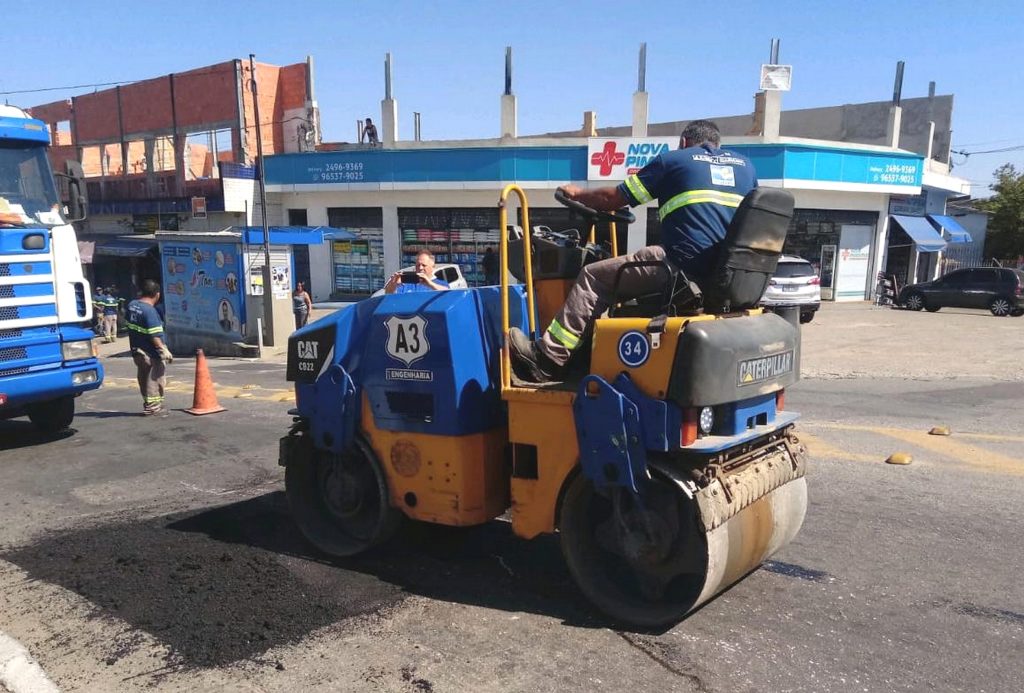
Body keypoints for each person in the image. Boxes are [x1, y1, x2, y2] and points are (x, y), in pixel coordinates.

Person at [509, 120, 757, 383]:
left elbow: (612, 199)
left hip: (680, 267)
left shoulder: (674, 161)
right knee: (619, 270)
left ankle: (547, 359)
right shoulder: (745, 168)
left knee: (593, 277)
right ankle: (585, 354)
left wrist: (579, 194)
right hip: (722, 274)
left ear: (683, 142)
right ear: (718, 144)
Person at [126, 279, 173, 416]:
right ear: (157, 295)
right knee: (155, 379)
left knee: (143, 377)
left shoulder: (132, 305)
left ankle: (148, 403)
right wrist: (164, 350)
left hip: (137, 350)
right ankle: (153, 406)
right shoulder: (150, 311)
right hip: (150, 353)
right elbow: (155, 336)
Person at [384, 250, 450, 294]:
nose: (420, 268)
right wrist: (393, 284)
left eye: (424, 265)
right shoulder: (407, 283)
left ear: (432, 267)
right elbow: (388, 295)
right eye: (418, 265)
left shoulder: (441, 284)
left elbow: (448, 294)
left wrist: (429, 284)